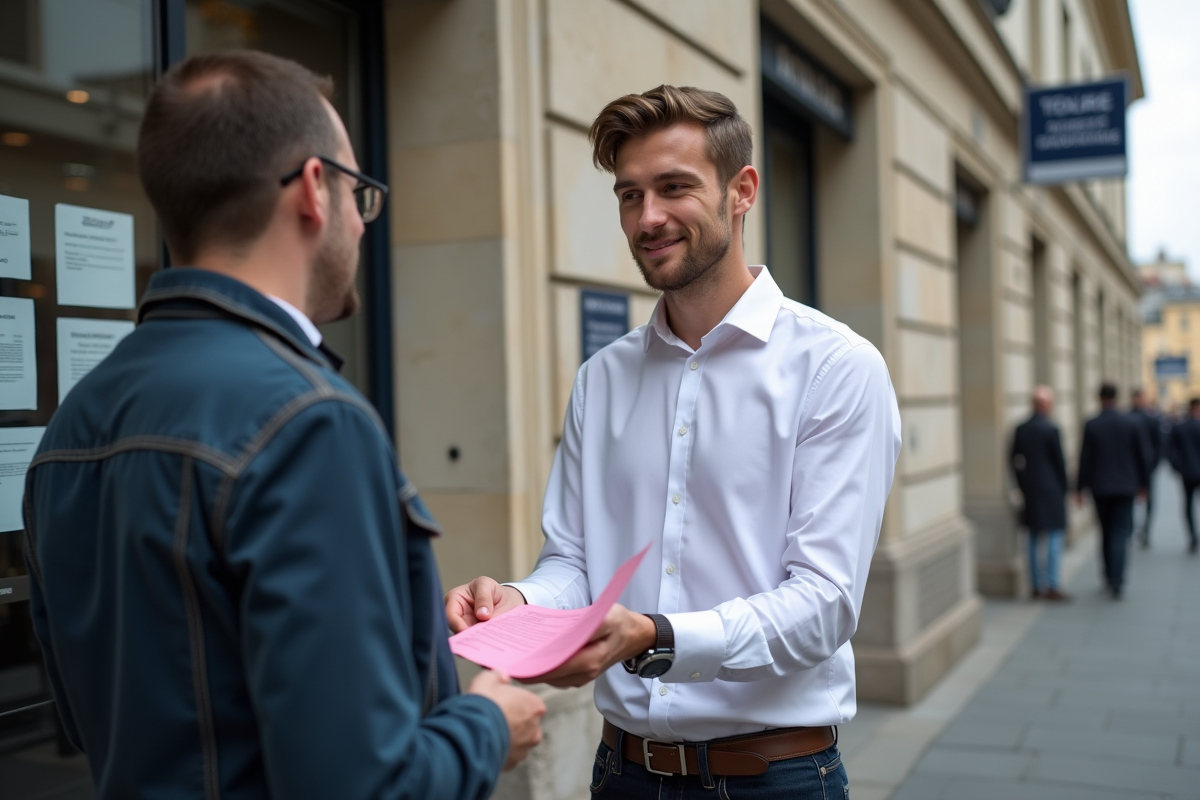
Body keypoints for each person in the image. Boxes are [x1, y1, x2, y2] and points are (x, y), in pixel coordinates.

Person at [22, 51, 544, 800]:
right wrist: (488, 726)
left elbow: (85, 723)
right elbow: (363, 786)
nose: (363, 229)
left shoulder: (69, 425)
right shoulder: (308, 422)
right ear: (313, 190)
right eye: (360, 196)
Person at [446, 85, 901, 798]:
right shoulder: (603, 377)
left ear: (741, 190)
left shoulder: (835, 367)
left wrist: (656, 638)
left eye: (673, 188)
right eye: (630, 195)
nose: (648, 217)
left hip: (774, 779)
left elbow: (824, 603)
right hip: (623, 773)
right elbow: (574, 560)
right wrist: (518, 603)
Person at [1076, 383, 1151, 598]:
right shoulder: (1131, 422)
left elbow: (1085, 459)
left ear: (1099, 398)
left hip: (1100, 487)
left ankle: (1108, 575)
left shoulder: (1092, 424)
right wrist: (1144, 485)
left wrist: (1079, 488)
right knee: (1120, 532)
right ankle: (1117, 578)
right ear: (1116, 398)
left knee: (1106, 531)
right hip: (1126, 486)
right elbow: (1142, 456)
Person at [1010, 386, 1070, 600]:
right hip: (1052, 489)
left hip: (1031, 490)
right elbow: (1059, 462)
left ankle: (1035, 585)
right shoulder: (1051, 429)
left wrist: (1021, 484)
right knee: (1054, 536)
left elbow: (1013, 460)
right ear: (1046, 405)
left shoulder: (1021, 428)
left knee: (1033, 538)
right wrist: (1065, 488)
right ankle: (1052, 585)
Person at [1129, 388, 1163, 546]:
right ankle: (1135, 529)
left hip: (1143, 466)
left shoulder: (1151, 418)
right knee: (1134, 499)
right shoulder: (1129, 417)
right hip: (1133, 466)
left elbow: (1159, 443)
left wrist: (1154, 463)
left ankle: (1144, 530)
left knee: (1146, 500)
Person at [1167, 397, 1200, 554]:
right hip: (1190, 471)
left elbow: (1170, 450)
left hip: (1187, 472)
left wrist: (1177, 467)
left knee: (1188, 505)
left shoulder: (1180, 426)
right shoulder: (1181, 427)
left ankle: (1193, 536)